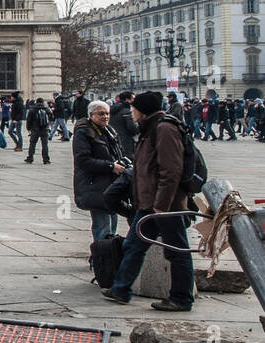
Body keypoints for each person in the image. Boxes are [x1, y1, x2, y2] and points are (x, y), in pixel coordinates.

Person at [102, 92, 196, 311]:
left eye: (133, 109)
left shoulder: (164, 129)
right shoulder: (150, 128)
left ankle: (181, 298)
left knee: (177, 250)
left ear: (142, 111)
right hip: (148, 204)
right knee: (133, 246)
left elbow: (171, 171)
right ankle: (121, 288)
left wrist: (161, 205)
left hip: (166, 206)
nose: (130, 113)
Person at [73, 100, 125, 242]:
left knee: (112, 225)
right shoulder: (84, 132)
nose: (105, 117)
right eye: (101, 113)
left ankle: (108, 256)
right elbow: (83, 160)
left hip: (111, 184)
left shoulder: (109, 130)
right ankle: (101, 259)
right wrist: (110, 166)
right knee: (102, 226)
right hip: (95, 185)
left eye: (107, 113)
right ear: (91, 115)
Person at [110, 91, 140, 159]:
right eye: (133, 98)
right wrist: (139, 128)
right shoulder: (127, 111)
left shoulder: (112, 109)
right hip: (126, 140)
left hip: (113, 138)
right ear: (127, 99)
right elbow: (132, 127)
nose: (134, 100)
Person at [25, 97, 52, 164]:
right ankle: (46, 159)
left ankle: (30, 158)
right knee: (45, 145)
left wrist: (28, 128)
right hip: (45, 129)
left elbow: (29, 120)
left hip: (35, 129)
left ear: (36, 102)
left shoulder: (32, 109)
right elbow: (51, 117)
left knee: (32, 144)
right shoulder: (47, 109)